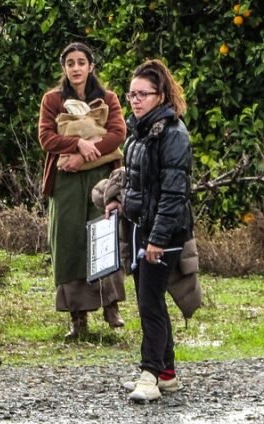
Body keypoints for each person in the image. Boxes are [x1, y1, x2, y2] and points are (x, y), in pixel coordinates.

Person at [105, 59, 194, 403]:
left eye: (143, 94)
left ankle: (150, 374)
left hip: (165, 235)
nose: (136, 100)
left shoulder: (173, 135)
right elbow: (139, 183)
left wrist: (157, 239)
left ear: (161, 96)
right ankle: (167, 373)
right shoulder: (140, 132)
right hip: (142, 228)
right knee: (150, 299)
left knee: (149, 303)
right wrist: (120, 204)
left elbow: (174, 193)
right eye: (131, 94)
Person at [37, 43, 127, 340]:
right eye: (70, 63)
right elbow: (46, 137)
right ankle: (77, 317)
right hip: (66, 182)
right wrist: (78, 143)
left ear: (91, 66)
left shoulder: (108, 99)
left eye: (81, 62)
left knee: (104, 235)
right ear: (64, 68)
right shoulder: (53, 100)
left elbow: (117, 133)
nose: (76, 68)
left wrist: (85, 155)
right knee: (70, 240)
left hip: (102, 177)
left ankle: (110, 305)